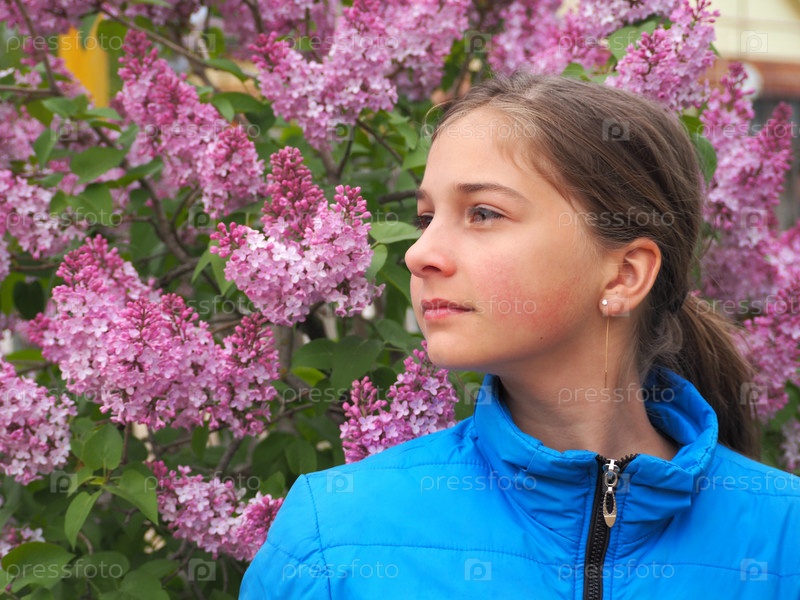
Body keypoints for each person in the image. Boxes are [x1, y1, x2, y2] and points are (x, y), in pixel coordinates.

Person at [240, 74, 800, 599]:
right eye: (426, 217)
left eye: (483, 213)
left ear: (624, 275)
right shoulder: (333, 537)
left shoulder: (783, 539)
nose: (418, 254)